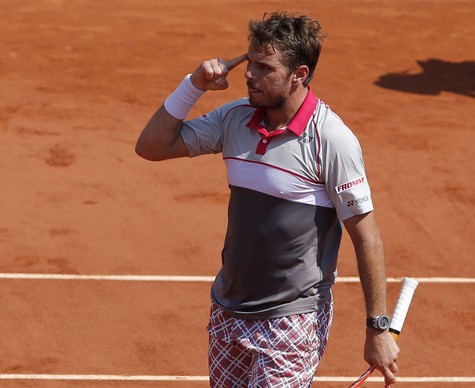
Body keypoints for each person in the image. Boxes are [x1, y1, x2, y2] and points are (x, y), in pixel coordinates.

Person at [135, 11, 399, 387]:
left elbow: (366, 235)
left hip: (291, 319)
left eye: (263, 67)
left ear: (299, 75)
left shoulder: (331, 139)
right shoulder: (234, 118)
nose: (248, 74)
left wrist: (378, 327)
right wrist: (193, 84)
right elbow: (151, 146)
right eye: (249, 62)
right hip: (229, 309)